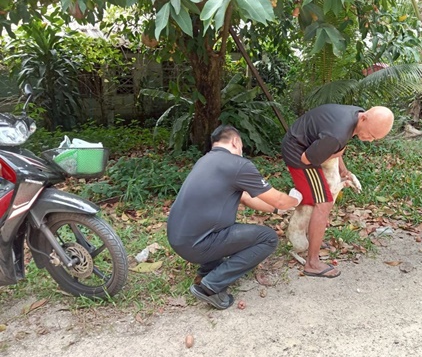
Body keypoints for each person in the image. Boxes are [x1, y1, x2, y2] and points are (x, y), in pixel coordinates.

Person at [167, 125, 303, 310]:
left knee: (219, 228)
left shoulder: (205, 161)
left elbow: (246, 197)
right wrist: (295, 199)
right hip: (198, 244)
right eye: (241, 147)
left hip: (179, 239)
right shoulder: (238, 164)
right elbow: (280, 200)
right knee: (268, 238)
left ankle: (208, 270)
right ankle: (211, 287)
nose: (241, 151)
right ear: (235, 141)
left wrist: (275, 210)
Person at [281, 104, 394, 278]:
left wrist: (343, 170)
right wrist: (337, 153)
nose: (370, 140)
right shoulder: (337, 134)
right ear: (364, 118)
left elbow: (335, 146)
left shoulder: (356, 115)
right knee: (324, 202)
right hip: (298, 153)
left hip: (307, 144)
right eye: (370, 135)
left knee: (321, 197)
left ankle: (312, 240)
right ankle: (312, 263)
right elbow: (308, 158)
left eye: (374, 138)